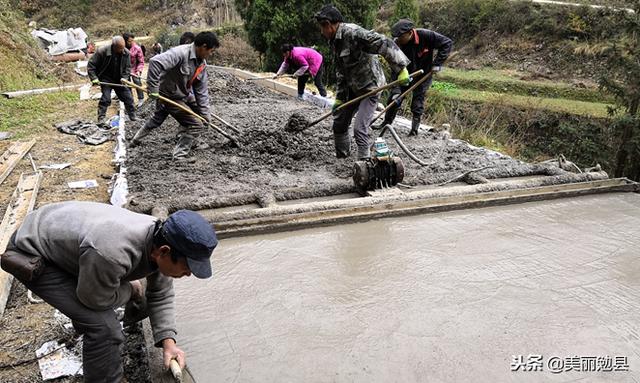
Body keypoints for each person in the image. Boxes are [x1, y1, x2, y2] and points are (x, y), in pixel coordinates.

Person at [1, 201, 218, 383]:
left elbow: (161, 294)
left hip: (71, 244)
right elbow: (94, 299)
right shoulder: (111, 252)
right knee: (105, 328)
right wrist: (130, 290)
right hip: (32, 253)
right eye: (187, 268)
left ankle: (94, 339)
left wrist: (168, 344)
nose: (188, 275)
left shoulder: (161, 238)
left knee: (135, 294)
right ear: (164, 252)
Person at [314, 5, 410, 160]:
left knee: (360, 128)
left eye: (322, 27)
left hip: (369, 87)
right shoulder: (334, 42)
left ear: (329, 25)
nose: (321, 32)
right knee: (339, 122)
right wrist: (339, 97)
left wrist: (401, 68)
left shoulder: (353, 33)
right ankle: (342, 156)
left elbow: (383, 42)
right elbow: (341, 72)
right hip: (352, 87)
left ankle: (364, 162)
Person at [131, 31, 219, 161]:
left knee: (158, 119)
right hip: (168, 95)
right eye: (211, 51)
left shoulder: (201, 63)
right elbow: (155, 62)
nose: (210, 54)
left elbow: (201, 91)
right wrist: (153, 88)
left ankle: (135, 140)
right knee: (196, 124)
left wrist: (205, 114)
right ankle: (179, 156)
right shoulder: (180, 53)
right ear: (203, 46)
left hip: (182, 94)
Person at [378, 19, 453, 136]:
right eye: (396, 37)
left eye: (401, 36)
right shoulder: (397, 44)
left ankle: (414, 129)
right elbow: (394, 65)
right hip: (404, 74)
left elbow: (447, 43)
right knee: (394, 99)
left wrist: (437, 63)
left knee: (418, 100)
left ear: (410, 32)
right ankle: (386, 122)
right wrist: (396, 88)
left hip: (424, 74)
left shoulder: (426, 36)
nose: (398, 39)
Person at [87, 36, 136, 124]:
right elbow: (91, 65)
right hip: (106, 78)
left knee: (128, 98)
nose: (122, 50)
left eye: (123, 47)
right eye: (119, 48)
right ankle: (101, 118)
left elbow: (128, 68)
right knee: (106, 99)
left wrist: (124, 78)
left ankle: (132, 117)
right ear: (113, 46)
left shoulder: (126, 53)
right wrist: (94, 78)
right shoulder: (102, 51)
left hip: (119, 79)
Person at [124, 32, 146, 108]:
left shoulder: (137, 48)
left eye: (132, 40)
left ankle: (141, 99)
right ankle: (130, 101)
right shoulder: (121, 48)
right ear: (125, 41)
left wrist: (139, 71)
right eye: (129, 41)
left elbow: (141, 61)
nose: (131, 42)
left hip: (134, 68)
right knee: (126, 84)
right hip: (124, 70)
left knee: (137, 81)